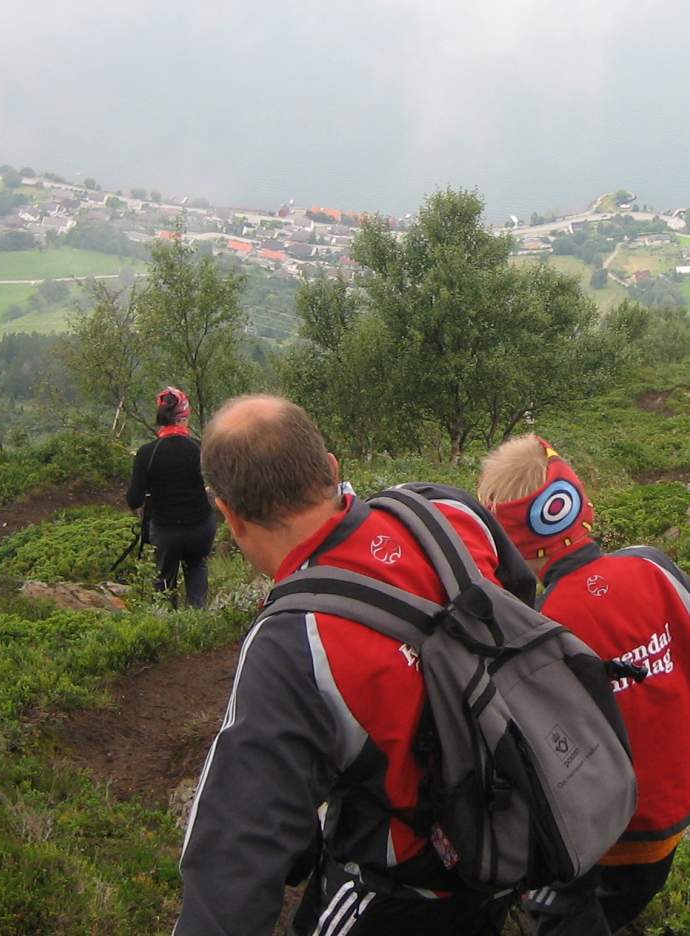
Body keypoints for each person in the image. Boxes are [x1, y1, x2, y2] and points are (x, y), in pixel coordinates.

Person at [176, 395, 538, 936]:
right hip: (514, 826)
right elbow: (520, 608)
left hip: (407, 892)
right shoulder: (448, 512)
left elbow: (238, 853)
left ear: (227, 514)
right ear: (331, 468)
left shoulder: (293, 644)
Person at [477, 437, 690, 936]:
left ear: (511, 545)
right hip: (671, 809)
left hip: (594, 830)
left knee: (568, 910)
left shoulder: (541, 629)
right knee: (628, 897)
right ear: (580, 505)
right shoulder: (653, 568)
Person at [125, 386, 218, 609]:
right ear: (185, 416)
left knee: (165, 579)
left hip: (165, 530)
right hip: (200, 526)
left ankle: (168, 624)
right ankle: (199, 623)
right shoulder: (199, 448)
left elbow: (134, 500)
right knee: (196, 566)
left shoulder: (147, 453)